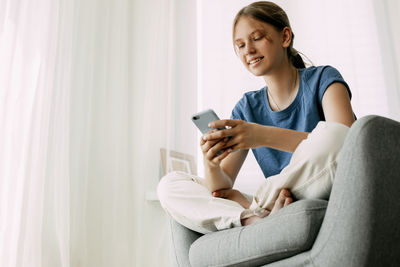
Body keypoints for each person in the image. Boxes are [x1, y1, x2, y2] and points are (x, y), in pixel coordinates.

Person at [157, 1, 355, 234]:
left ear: (285, 37)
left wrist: (261, 135)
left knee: (335, 136)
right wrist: (211, 164)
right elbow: (220, 187)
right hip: (281, 197)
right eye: (240, 45)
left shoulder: (323, 78)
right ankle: (254, 219)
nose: (247, 50)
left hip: (319, 187)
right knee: (171, 185)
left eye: (257, 37)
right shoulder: (247, 107)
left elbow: (349, 144)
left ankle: (259, 206)